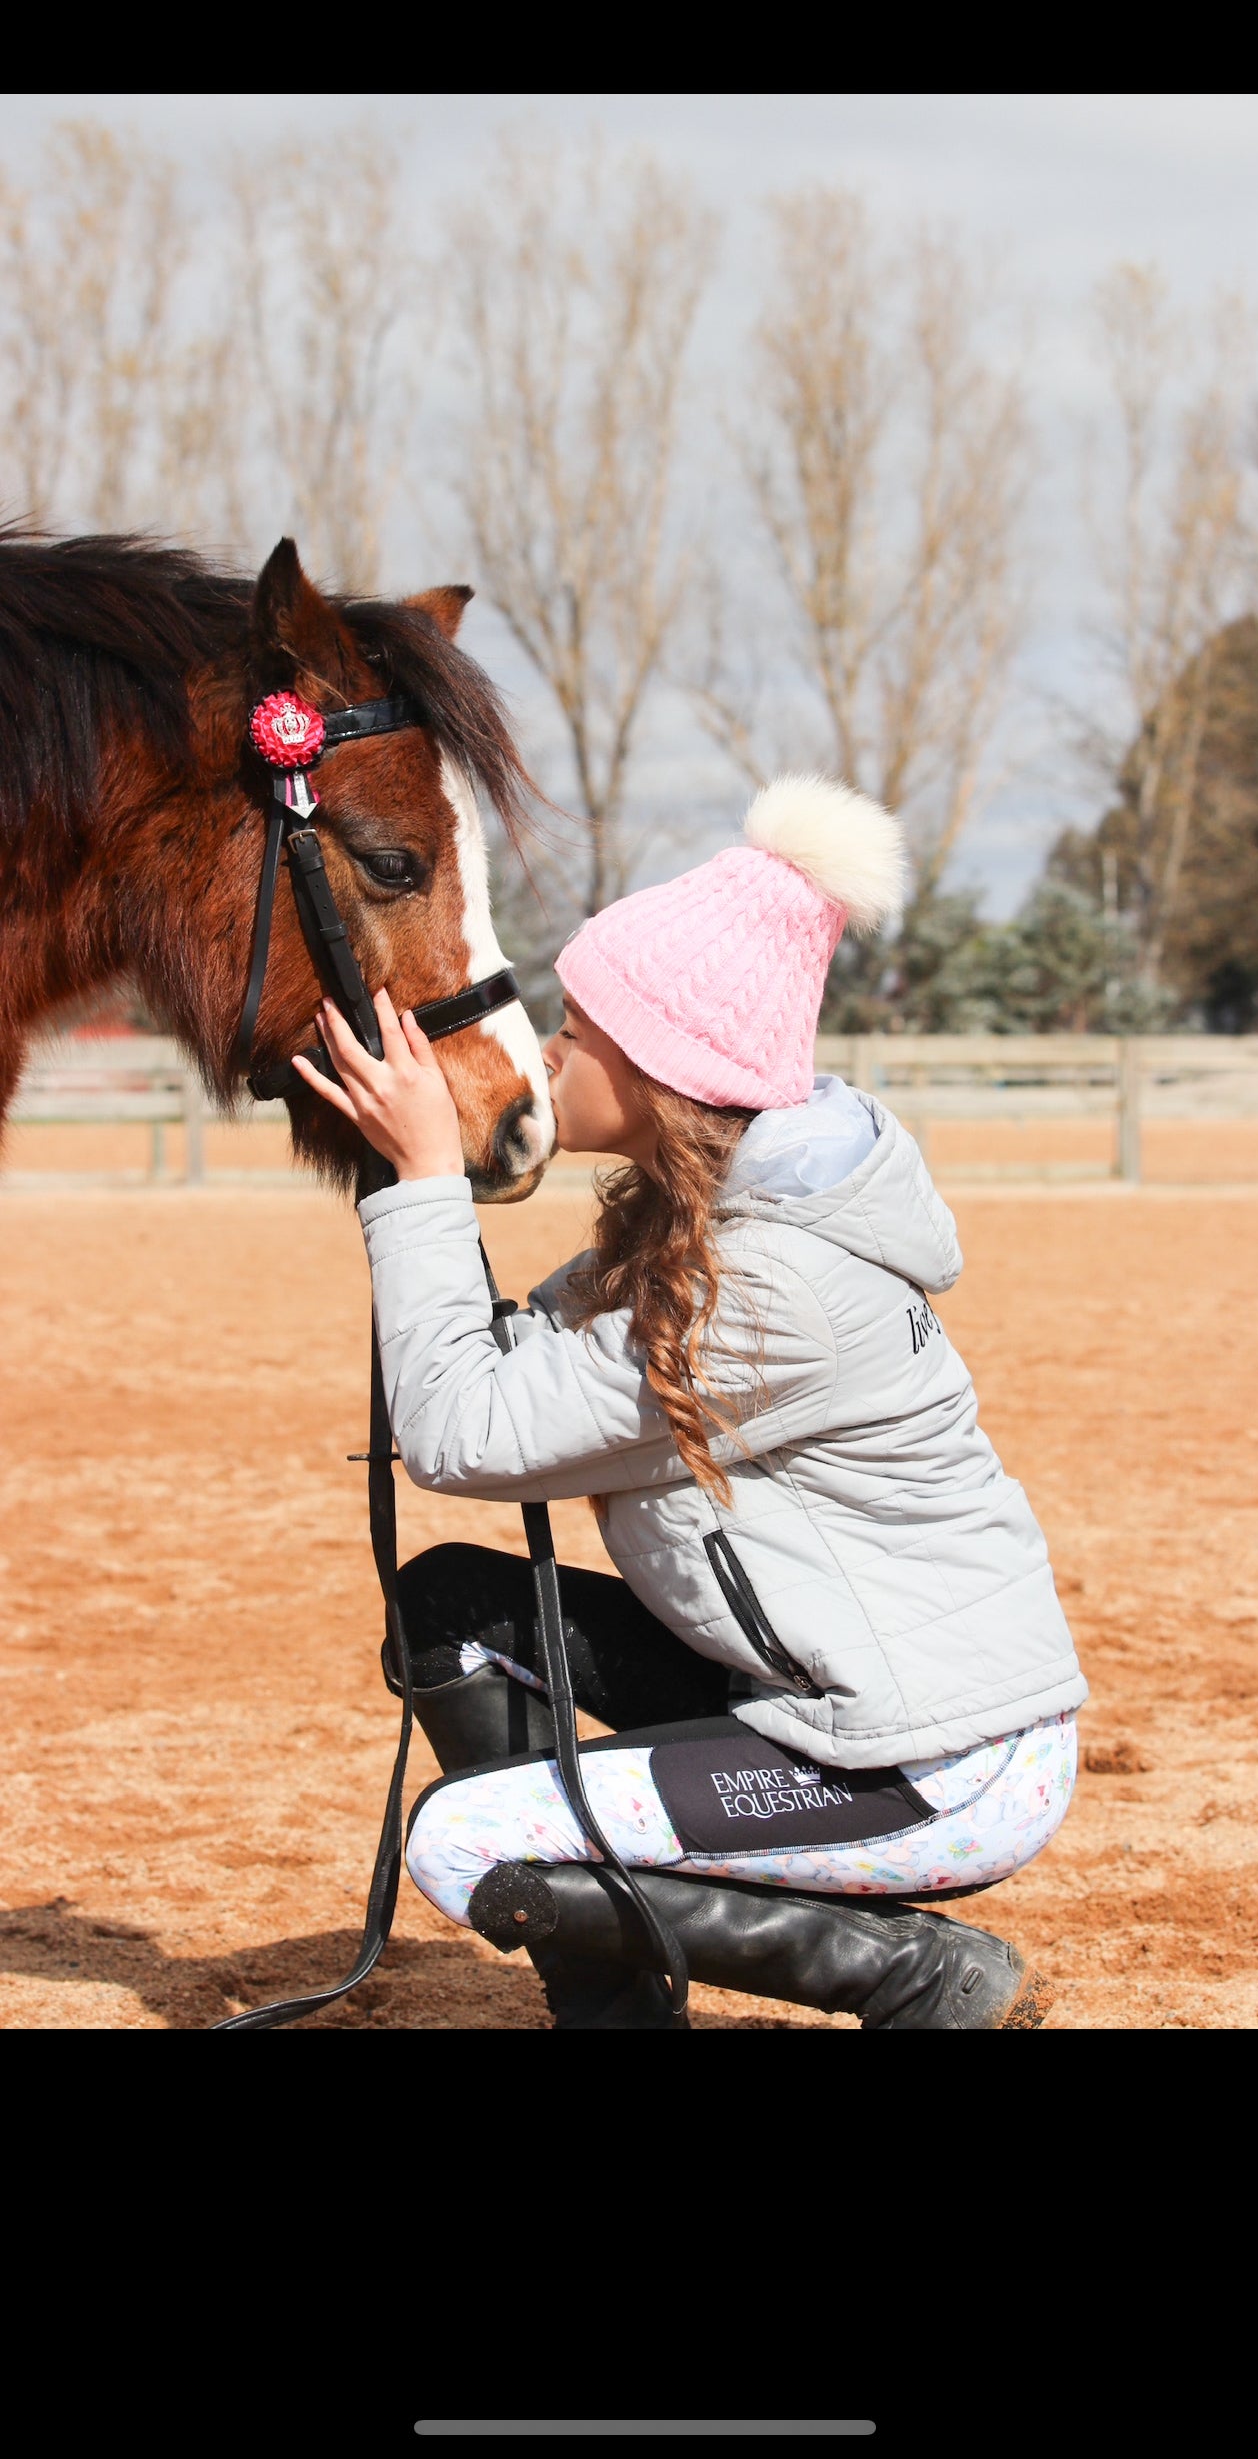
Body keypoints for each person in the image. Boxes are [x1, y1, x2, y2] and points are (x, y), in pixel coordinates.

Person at [296, 776, 1086, 2029]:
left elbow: (460, 1431)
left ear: (667, 1065)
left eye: (579, 1025)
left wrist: (426, 1182)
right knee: (452, 1606)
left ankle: (918, 1975)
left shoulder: (775, 1286)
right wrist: (415, 1182)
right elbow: (495, 1363)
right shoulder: (693, 1228)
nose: (547, 1049)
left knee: (463, 1846)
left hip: (929, 1761)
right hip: (809, 1693)